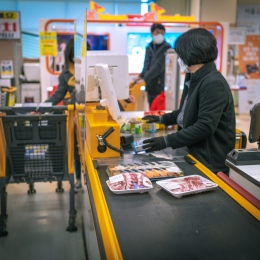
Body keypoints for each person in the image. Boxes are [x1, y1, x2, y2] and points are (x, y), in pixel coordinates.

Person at [142, 28, 236, 174]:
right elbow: (186, 111)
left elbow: (204, 127)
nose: (179, 57)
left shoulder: (213, 83)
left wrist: (167, 141)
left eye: (180, 53)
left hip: (209, 162)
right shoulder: (194, 77)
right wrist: (162, 119)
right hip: (192, 153)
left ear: (190, 53)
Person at [45, 38, 82, 191]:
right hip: (74, 116)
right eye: (75, 55)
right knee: (76, 149)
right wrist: (41, 106)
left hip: (90, 114)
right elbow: (58, 94)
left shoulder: (92, 68)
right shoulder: (66, 73)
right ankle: (78, 179)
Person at [133, 23, 171, 108]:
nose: (160, 35)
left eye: (162, 33)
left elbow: (159, 67)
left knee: (157, 108)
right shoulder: (149, 47)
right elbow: (146, 64)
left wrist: (145, 79)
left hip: (159, 84)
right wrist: (141, 76)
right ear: (152, 34)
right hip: (150, 85)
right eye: (157, 32)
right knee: (151, 107)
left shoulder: (166, 48)